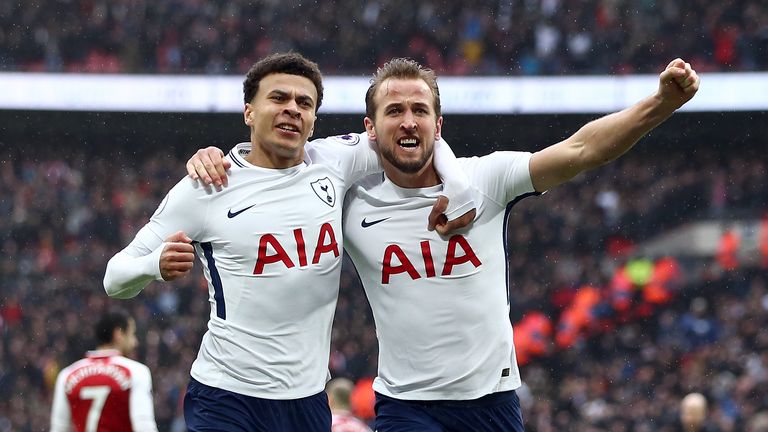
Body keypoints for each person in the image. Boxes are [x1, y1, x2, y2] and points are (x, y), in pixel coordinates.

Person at [190, 56, 699, 431]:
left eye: (419, 110)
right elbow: (270, 171)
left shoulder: (487, 180)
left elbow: (582, 149)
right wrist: (216, 161)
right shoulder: (345, 201)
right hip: (405, 407)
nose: (408, 121)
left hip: (494, 402)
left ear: (439, 124)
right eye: (394, 111)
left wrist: (661, 104)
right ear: (370, 129)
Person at [103, 52, 472, 431]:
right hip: (227, 397)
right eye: (278, 98)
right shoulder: (206, 186)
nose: (292, 109)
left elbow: (411, 134)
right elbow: (114, 278)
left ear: (313, 121)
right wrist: (154, 266)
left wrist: (458, 186)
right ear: (249, 112)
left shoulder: (334, 160)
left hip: (308, 401)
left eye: (304, 103)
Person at [50, 308, 158, 432]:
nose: (135, 342)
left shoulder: (67, 375)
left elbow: (59, 429)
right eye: (132, 334)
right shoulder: (136, 372)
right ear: (119, 334)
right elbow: (144, 426)